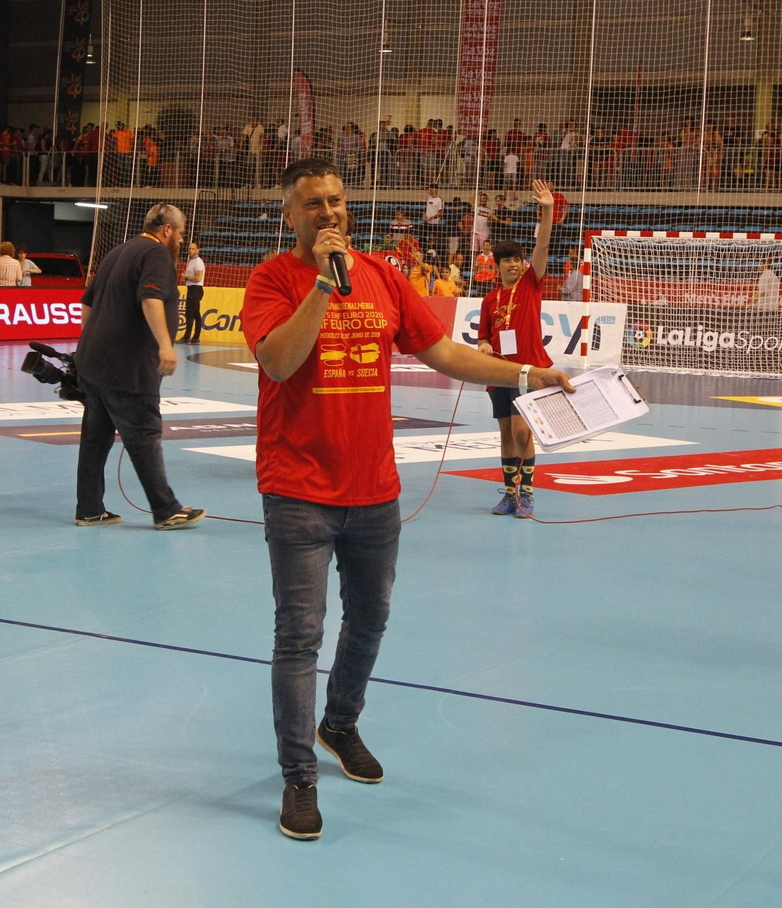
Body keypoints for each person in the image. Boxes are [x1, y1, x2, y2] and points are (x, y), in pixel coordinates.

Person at [241, 159, 573, 840]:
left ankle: (340, 724)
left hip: (374, 491)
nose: (328, 213)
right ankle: (299, 776)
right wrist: (323, 291)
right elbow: (278, 359)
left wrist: (528, 370)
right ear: (289, 216)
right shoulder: (272, 279)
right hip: (298, 489)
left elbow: (446, 352)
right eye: (312, 205)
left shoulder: (385, 276)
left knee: (369, 621)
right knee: (299, 636)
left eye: (335, 199)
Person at [74, 203, 204, 531]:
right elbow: (150, 298)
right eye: (181, 233)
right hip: (128, 366)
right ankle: (166, 509)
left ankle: (89, 509)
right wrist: (164, 345)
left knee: (95, 438)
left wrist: (85, 347)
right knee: (144, 433)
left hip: (93, 364)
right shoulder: (156, 254)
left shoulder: (118, 252)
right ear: (167, 230)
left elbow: (86, 305)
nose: (180, 241)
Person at [476, 179, 558, 519]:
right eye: (506, 261)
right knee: (507, 433)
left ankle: (527, 494)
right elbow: (483, 337)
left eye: (517, 260)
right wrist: (482, 346)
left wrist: (548, 209)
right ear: (496, 267)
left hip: (529, 373)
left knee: (524, 431)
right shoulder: (490, 299)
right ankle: (509, 493)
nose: (513, 264)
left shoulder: (530, 285)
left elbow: (541, 246)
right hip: (500, 374)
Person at [179, 241, 205, 343]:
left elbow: (198, 277)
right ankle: (196, 337)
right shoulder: (191, 261)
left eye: (193, 249)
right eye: (189, 249)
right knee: (196, 314)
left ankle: (186, 337)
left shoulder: (198, 262)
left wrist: (187, 277)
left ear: (197, 250)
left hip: (195, 289)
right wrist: (186, 277)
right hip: (192, 288)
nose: (190, 251)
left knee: (189, 313)